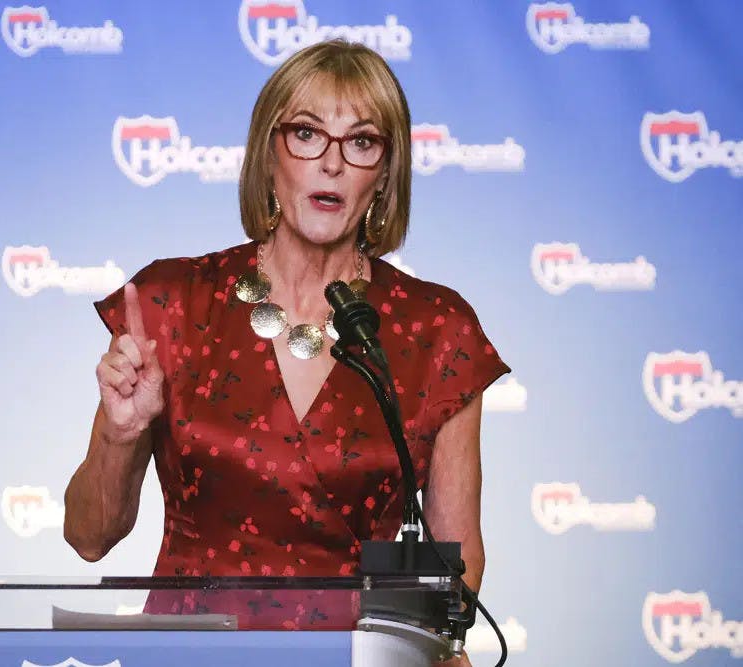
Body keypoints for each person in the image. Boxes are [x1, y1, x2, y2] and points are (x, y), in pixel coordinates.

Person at [64, 39, 510, 665]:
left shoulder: (438, 329)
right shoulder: (173, 303)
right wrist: (119, 432)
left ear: (384, 173)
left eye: (361, 142)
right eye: (306, 133)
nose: (331, 163)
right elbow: (88, 537)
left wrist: (433, 644)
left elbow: (454, 558)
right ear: (269, 154)